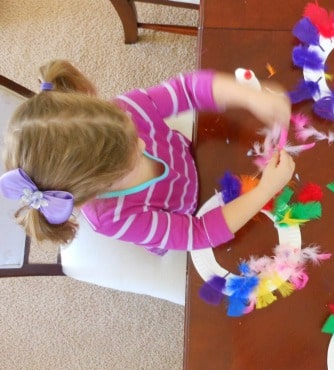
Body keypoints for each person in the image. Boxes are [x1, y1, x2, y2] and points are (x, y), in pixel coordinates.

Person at [0, 60, 295, 255]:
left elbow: (187, 89)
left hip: (196, 158)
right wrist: (266, 189)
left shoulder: (125, 109)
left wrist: (248, 96)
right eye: (131, 156)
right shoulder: (111, 217)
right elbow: (200, 232)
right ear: (98, 186)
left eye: (131, 132)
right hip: (186, 214)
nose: (142, 144)